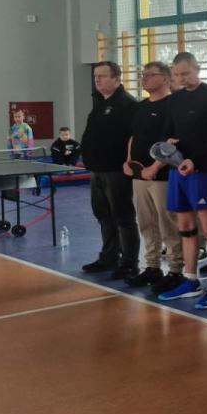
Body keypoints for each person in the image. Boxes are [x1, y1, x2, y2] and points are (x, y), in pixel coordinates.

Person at [157, 52, 207, 307]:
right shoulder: (174, 99)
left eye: (185, 73)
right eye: (176, 74)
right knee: (186, 227)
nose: (181, 78)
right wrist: (168, 143)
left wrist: (195, 159)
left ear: (198, 69)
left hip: (202, 171)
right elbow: (167, 131)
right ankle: (191, 279)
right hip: (177, 170)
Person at [124, 61, 184, 293]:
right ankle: (152, 266)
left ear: (166, 79)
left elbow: (173, 142)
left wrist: (155, 167)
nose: (145, 78)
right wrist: (129, 160)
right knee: (146, 222)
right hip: (139, 175)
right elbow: (134, 136)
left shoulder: (173, 105)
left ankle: (176, 270)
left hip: (162, 176)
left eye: (150, 74)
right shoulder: (140, 106)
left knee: (168, 223)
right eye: (143, 74)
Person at [79, 61, 140, 279]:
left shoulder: (128, 104)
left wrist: (128, 162)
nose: (97, 79)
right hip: (97, 170)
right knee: (103, 216)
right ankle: (109, 257)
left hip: (116, 171)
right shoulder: (99, 103)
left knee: (123, 217)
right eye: (96, 76)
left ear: (116, 79)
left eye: (102, 76)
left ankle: (129, 262)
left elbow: (134, 138)